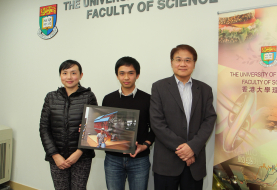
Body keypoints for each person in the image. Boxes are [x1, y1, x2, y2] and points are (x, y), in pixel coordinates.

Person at [150, 44, 217, 190]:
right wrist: (185, 151)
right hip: (166, 163)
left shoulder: (205, 89)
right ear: (171, 62)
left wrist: (192, 147)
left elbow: (209, 120)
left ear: (194, 64)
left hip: (194, 162)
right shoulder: (159, 87)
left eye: (188, 60)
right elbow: (157, 123)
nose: (182, 64)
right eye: (178, 59)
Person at [39, 60, 97, 190]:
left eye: (73, 73)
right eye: (65, 73)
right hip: (57, 156)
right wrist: (54, 155)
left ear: (81, 75)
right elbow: (44, 128)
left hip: (82, 156)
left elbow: (93, 128)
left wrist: (78, 152)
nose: (69, 77)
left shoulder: (89, 96)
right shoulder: (51, 97)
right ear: (60, 75)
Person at [102, 56, 155, 190]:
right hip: (113, 159)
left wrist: (145, 145)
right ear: (117, 76)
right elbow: (105, 126)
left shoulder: (148, 99)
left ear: (137, 75)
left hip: (139, 159)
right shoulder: (108, 99)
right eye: (122, 73)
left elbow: (154, 128)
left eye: (130, 73)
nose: (126, 77)